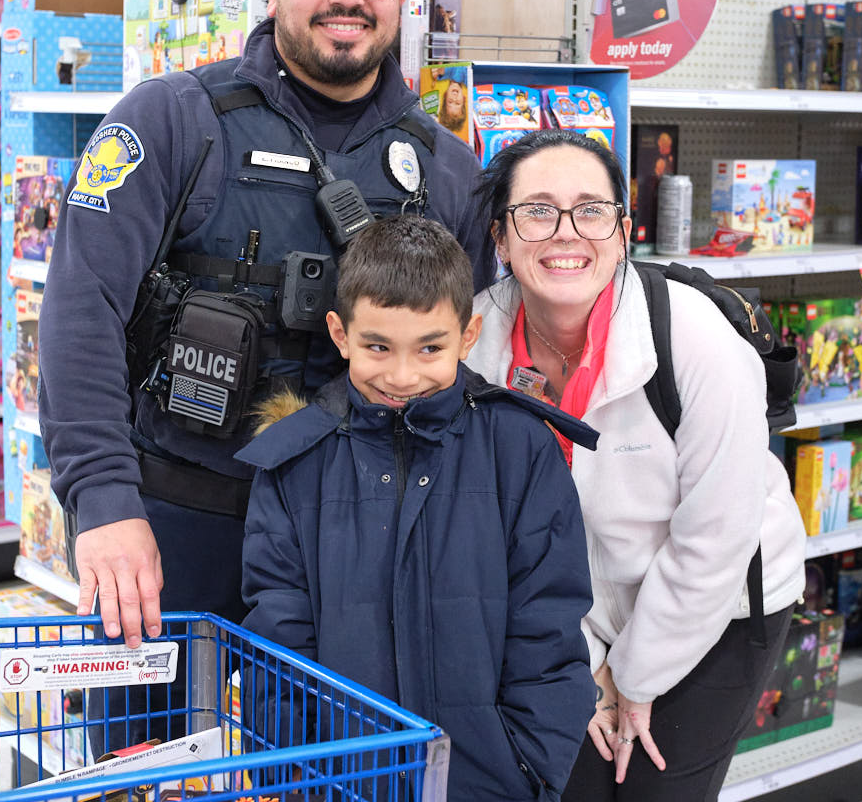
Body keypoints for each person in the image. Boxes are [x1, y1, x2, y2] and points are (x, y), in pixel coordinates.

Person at [38, 0, 491, 751]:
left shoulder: (448, 172)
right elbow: (78, 310)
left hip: (359, 552)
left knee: (332, 773)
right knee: (147, 768)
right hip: (171, 533)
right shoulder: (170, 122)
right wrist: (101, 501)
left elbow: (464, 367)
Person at [468, 130, 806, 801]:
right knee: (576, 784)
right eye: (536, 211)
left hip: (722, 606)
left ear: (623, 232)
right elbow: (495, 533)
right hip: (572, 612)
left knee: (657, 788)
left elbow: (717, 535)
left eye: (591, 210)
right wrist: (587, 664)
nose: (566, 234)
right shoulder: (473, 348)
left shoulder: (696, 340)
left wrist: (634, 677)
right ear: (500, 239)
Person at [237, 215, 595, 801]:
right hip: (340, 783)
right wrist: (291, 776)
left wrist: (530, 767)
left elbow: (549, 625)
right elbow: (277, 638)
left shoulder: (520, 448)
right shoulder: (294, 462)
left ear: (470, 334)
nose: (403, 376)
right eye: (378, 346)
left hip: (489, 783)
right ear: (339, 333)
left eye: (431, 348)